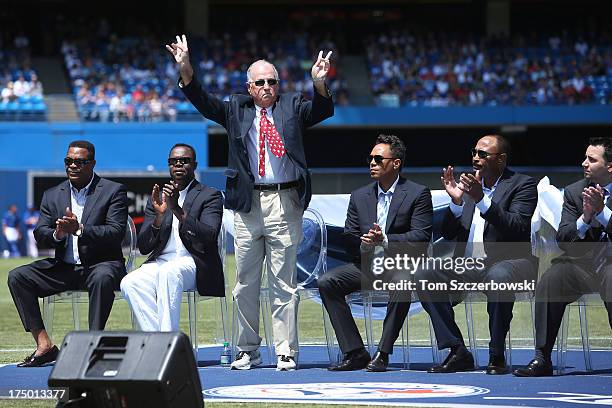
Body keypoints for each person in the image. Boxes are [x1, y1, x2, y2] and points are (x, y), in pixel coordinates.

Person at [167, 34, 334, 371]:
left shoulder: (292, 106)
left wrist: (319, 82)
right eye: (260, 82)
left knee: (284, 281)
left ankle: (285, 350)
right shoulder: (236, 108)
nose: (267, 87)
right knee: (245, 282)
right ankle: (248, 350)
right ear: (249, 86)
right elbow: (202, 100)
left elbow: (321, 110)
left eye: (273, 81)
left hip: (285, 199)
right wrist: (185, 67)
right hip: (247, 204)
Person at [415, 134, 538, 375]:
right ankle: (457, 350)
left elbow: (517, 226)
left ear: (501, 159)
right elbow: (450, 232)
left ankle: (497, 354)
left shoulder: (523, 184)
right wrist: (456, 202)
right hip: (468, 265)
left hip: (511, 262)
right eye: (474, 152)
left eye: (483, 154)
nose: (475, 158)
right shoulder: (472, 185)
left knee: (499, 276)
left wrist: (481, 200)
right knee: (424, 273)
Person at [7, 140, 128, 367]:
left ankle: (94, 344)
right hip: (65, 267)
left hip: (102, 264)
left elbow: (115, 232)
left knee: (102, 277)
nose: (72, 166)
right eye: (68, 161)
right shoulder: (52, 194)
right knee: (17, 276)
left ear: (92, 163)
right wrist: (58, 234)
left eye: (79, 162)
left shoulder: (113, 190)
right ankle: (45, 346)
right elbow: (40, 233)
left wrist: (80, 229)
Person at [318, 134, 433, 372]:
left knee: (402, 282)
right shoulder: (359, 196)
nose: (372, 163)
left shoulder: (418, 193)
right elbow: (348, 235)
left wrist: (386, 240)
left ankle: (383, 352)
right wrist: (364, 243)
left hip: (400, 266)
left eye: (378, 159)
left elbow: (421, 237)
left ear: (396, 163)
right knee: (327, 282)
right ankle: (355, 351)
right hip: (367, 266)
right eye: (370, 158)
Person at [514, 137, 612, 377]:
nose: (584, 163)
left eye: (592, 159)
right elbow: (564, 239)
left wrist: (603, 213)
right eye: (585, 158)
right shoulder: (575, 192)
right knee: (552, 278)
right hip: (583, 267)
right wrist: (585, 218)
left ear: (610, 166)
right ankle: (542, 357)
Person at [121, 143, 224, 331]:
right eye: (173, 161)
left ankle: (169, 342)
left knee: (170, 272)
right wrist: (159, 217)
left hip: (195, 263)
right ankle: (158, 342)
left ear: (194, 165)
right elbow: (144, 247)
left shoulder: (210, 195)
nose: (178, 165)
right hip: (161, 262)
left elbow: (209, 236)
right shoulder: (159, 198)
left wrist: (176, 208)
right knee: (130, 282)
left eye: (184, 161)